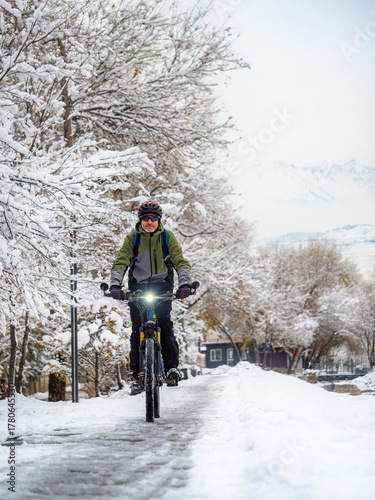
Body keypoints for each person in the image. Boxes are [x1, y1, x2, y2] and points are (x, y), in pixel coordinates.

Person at [109, 200, 193, 392]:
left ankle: (171, 368)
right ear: (140, 220)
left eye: (153, 218)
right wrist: (115, 284)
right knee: (136, 329)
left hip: (162, 288)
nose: (149, 222)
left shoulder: (166, 237)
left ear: (158, 220)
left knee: (164, 324)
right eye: (145, 218)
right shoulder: (133, 239)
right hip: (138, 289)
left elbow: (180, 260)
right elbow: (121, 261)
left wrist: (185, 284)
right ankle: (137, 375)